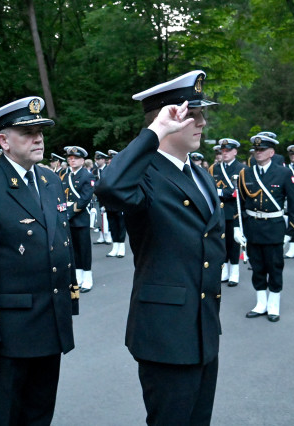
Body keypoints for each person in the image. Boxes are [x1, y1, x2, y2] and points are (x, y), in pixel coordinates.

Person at [95, 70, 224, 425]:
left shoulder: (198, 173)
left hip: (202, 328)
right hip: (166, 334)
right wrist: (153, 133)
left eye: (203, 113)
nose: (203, 121)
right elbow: (109, 188)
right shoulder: (145, 174)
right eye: (192, 114)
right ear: (168, 119)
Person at [0, 96, 78, 425]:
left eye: (40, 131)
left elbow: (61, 243)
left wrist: (70, 301)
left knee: (40, 413)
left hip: (50, 322)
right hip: (12, 333)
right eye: (27, 131)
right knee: (8, 416)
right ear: (4, 141)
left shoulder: (51, 181)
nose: (38, 138)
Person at [234, 133, 294, 322]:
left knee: (274, 266)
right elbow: (240, 202)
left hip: (274, 228)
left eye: (262, 150)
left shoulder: (283, 173)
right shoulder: (245, 173)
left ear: (271, 152)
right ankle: (260, 303)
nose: (258, 153)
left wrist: (291, 230)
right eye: (256, 150)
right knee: (257, 267)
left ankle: (273, 305)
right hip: (253, 227)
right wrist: (238, 228)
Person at [210, 138, 245, 287]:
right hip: (220, 212)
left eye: (228, 151)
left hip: (234, 212)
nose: (224, 153)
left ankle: (234, 273)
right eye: (222, 151)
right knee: (221, 243)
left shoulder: (242, 169)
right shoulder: (214, 169)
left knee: (233, 243)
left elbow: (239, 192)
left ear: (235, 152)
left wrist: (220, 191)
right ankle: (224, 271)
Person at [62, 146, 95, 292]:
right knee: (73, 249)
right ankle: (78, 277)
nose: (72, 160)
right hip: (69, 218)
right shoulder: (65, 176)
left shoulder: (87, 176)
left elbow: (85, 199)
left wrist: (69, 212)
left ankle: (88, 278)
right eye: (69, 158)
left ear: (82, 160)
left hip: (80, 217)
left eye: (75, 158)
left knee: (84, 249)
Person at [105, 149, 127, 259]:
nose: (109, 161)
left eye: (111, 159)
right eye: (108, 159)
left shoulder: (123, 171)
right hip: (109, 204)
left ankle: (121, 246)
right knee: (112, 226)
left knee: (121, 226)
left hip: (120, 203)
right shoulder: (105, 171)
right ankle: (115, 246)